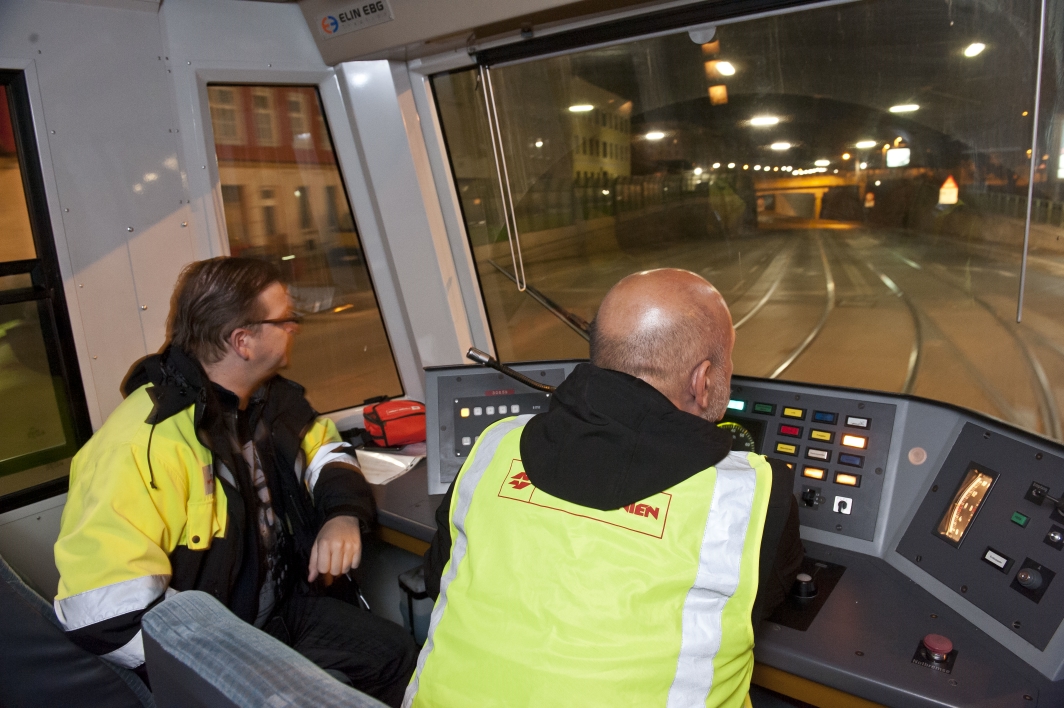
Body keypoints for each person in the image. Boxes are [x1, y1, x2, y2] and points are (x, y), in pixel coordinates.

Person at [409, 268, 803, 707]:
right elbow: (762, 607)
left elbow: (437, 574)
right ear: (703, 379)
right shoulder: (753, 496)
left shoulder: (495, 446)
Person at [54, 257, 417, 707]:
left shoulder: (267, 399)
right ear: (242, 341)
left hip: (277, 611)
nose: (295, 329)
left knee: (395, 654)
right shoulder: (142, 445)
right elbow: (103, 612)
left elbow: (327, 452)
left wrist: (342, 515)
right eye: (285, 320)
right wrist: (235, 667)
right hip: (220, 646)